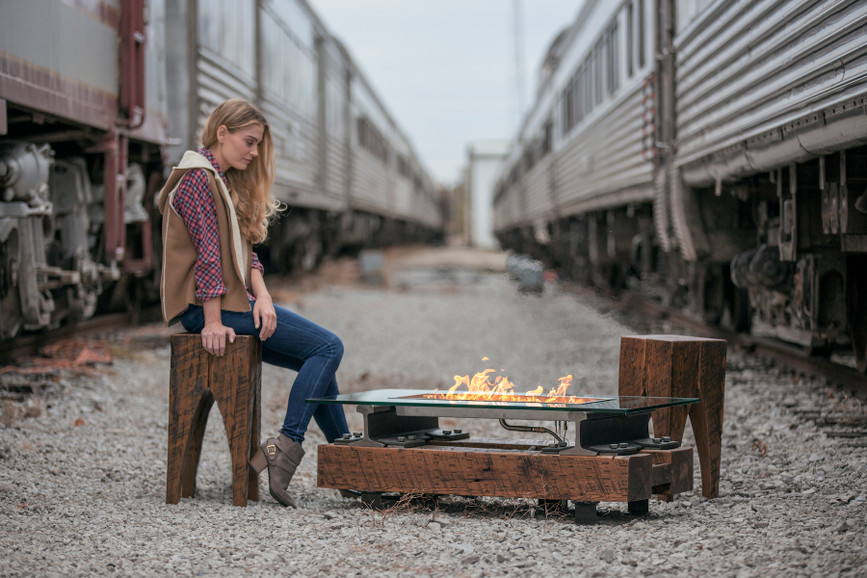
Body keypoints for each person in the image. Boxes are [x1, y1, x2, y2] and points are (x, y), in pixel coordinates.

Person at [157, 98, 349, 508]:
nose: (255, 152)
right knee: (327, 347)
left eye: (259, 144)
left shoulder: (222, 180)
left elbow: (247, 256)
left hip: (234, 304)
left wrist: (262, 296)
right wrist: (211, 321)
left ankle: (350, 465)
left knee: (318, 360)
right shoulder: (196, 180)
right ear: (221, 133)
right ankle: (287, 449)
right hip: (199, 310)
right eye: (249, 141)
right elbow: (208, 256)